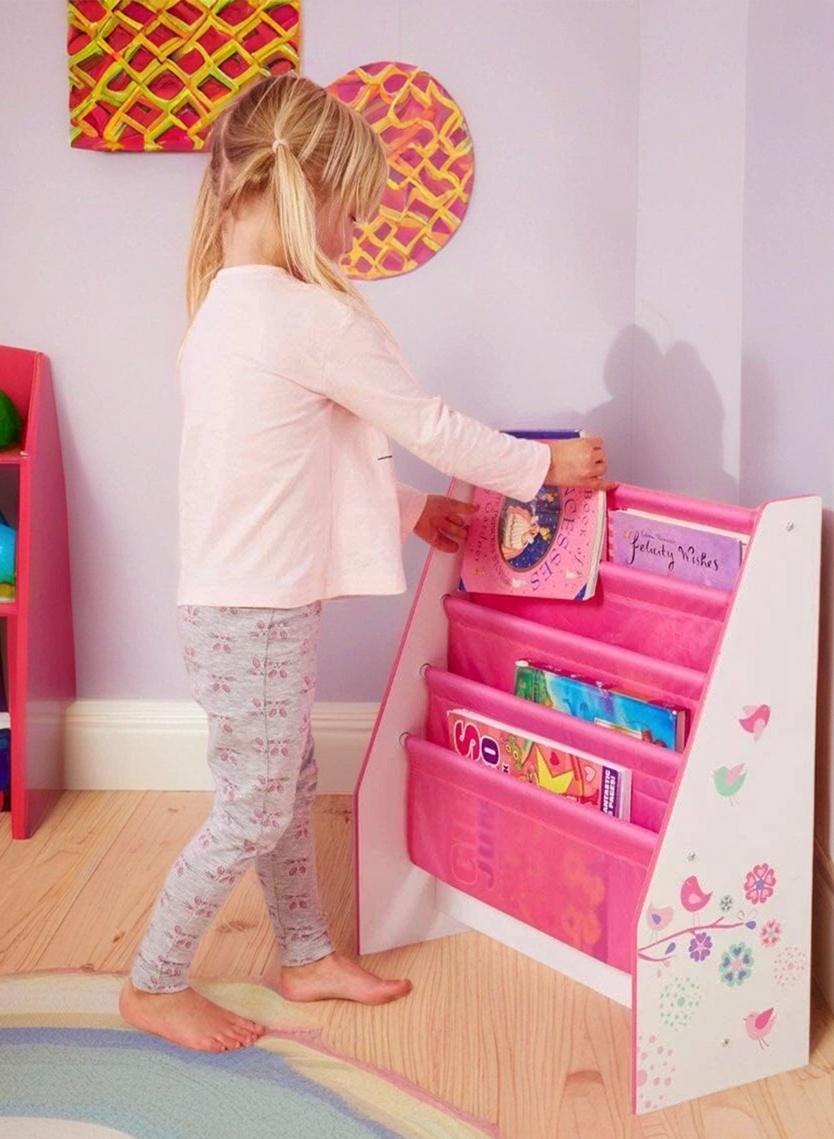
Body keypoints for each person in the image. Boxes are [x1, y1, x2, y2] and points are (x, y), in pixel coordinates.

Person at [119, 72, 609, 1052]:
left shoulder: (222, 309)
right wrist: (538, 467)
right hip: (253, 610)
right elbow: (424, 423)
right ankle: (153, 979)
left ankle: (304, 957)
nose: (356, 237)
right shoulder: (309, 316)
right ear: (305, 190)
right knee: (257, 802)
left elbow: (274, 471)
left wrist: (415, 508)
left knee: (288, 785)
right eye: (353, 212)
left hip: (232, 604)